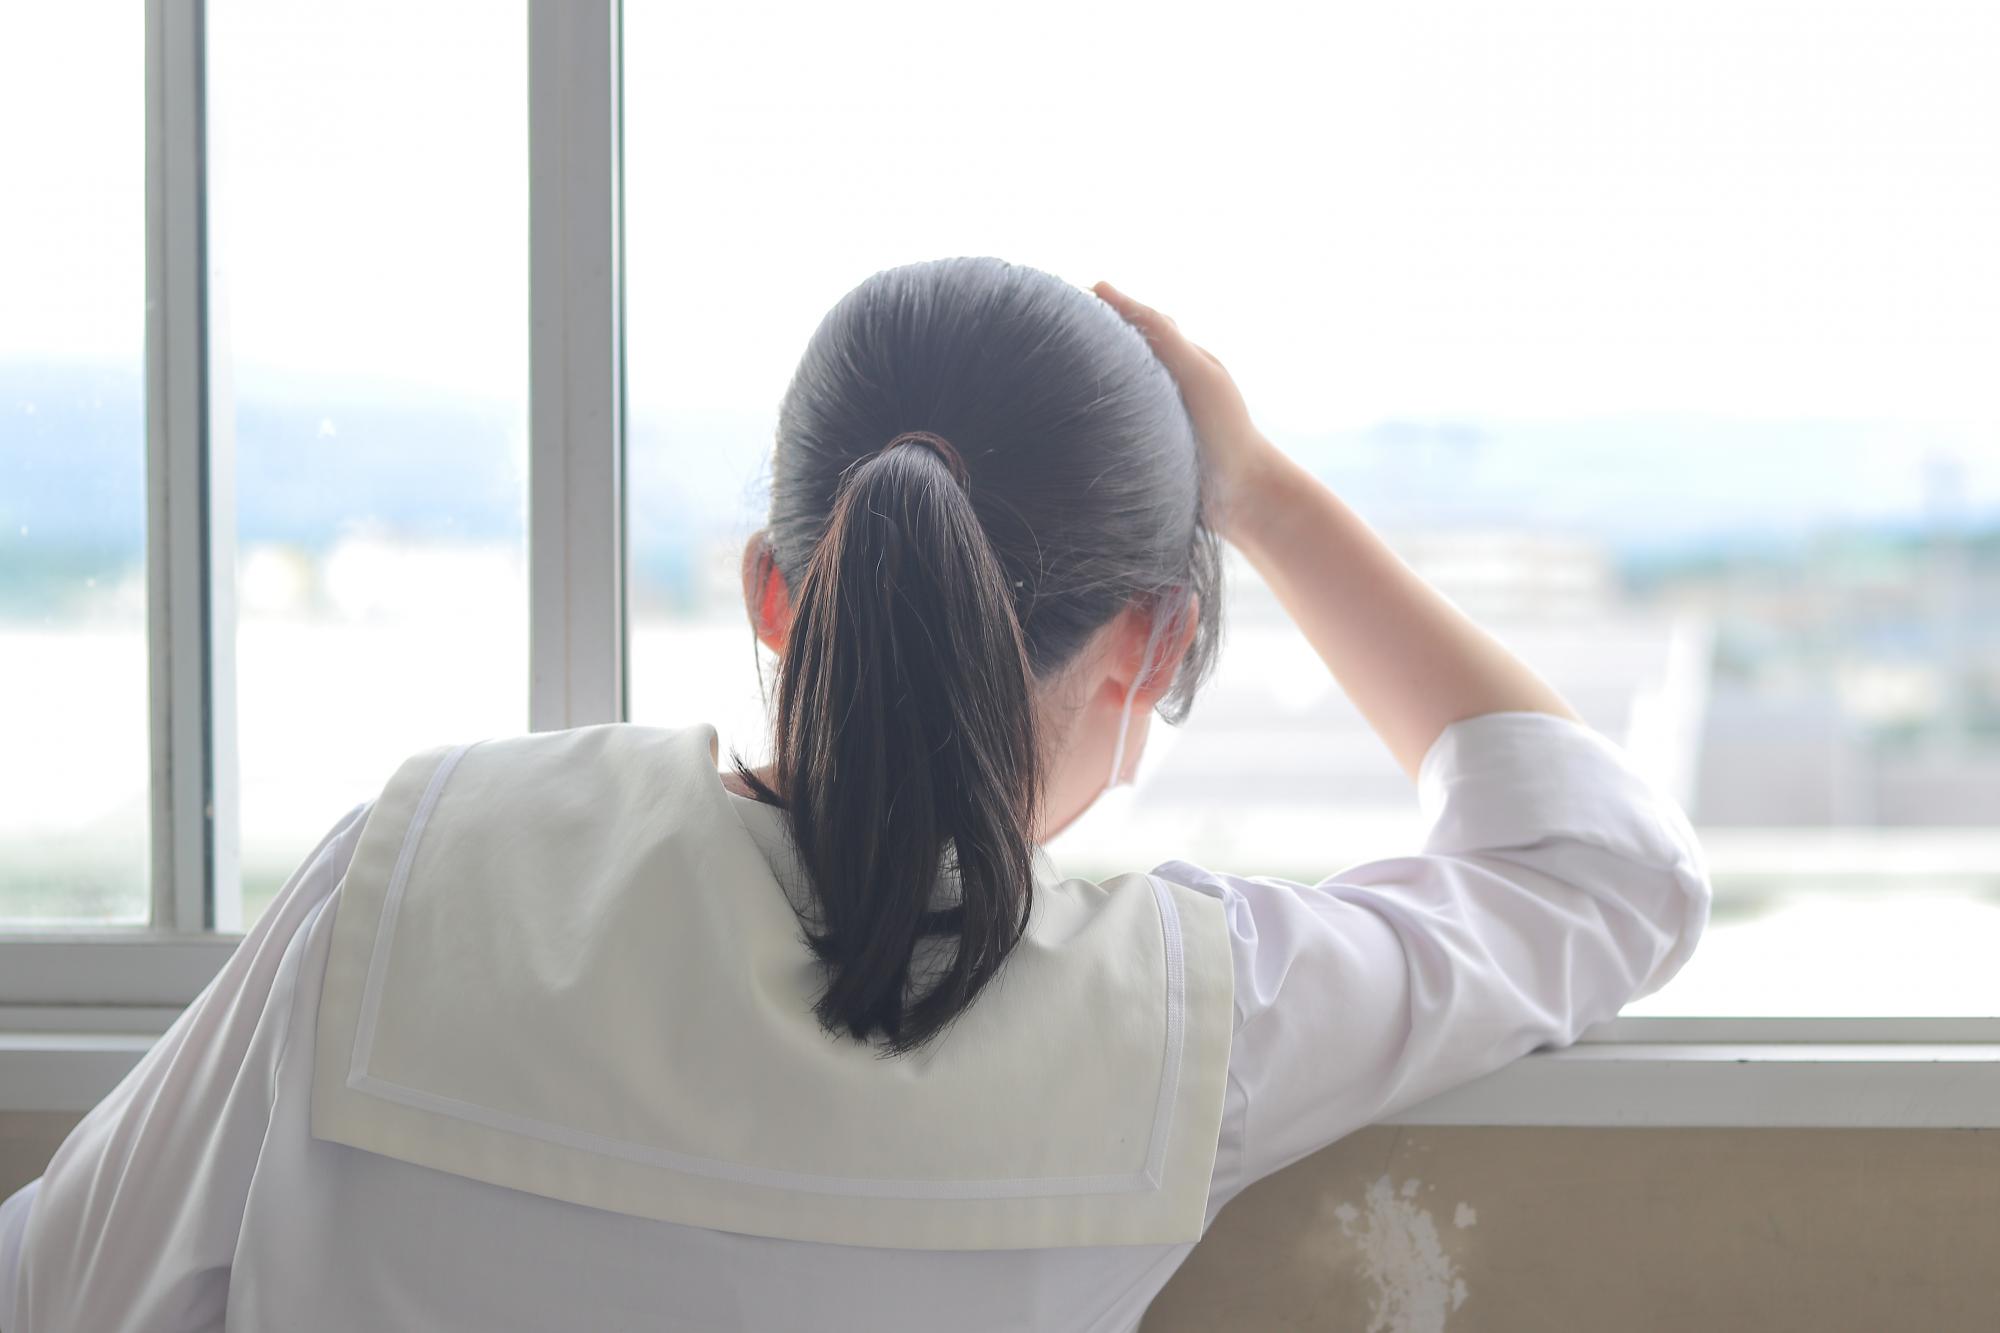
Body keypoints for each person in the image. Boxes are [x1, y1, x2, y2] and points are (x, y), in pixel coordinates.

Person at [0, 257, 1710, 1332]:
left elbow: (52, 1287)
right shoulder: (1182, 1023)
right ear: (1152, 642)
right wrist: (1252, 486)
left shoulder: (421, 868)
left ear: (775, 593)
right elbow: (1601, 866)